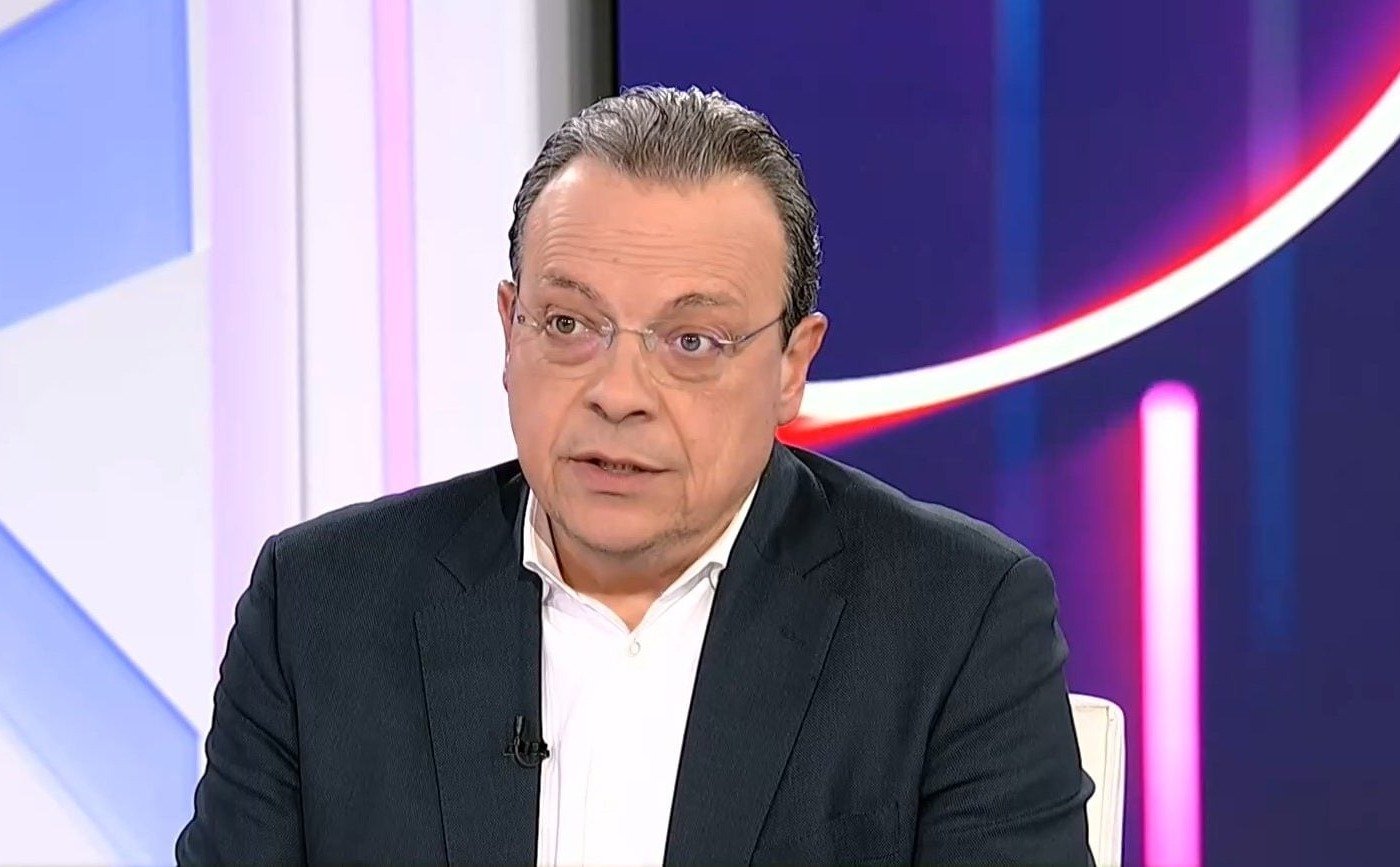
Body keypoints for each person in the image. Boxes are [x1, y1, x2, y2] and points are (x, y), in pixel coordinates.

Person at [177, 85, 1092, 865]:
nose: (618, 393)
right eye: (568, 325)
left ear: (790, 365)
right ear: (509, 329)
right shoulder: (320, 606)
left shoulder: (956, 620)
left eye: (691, 341)